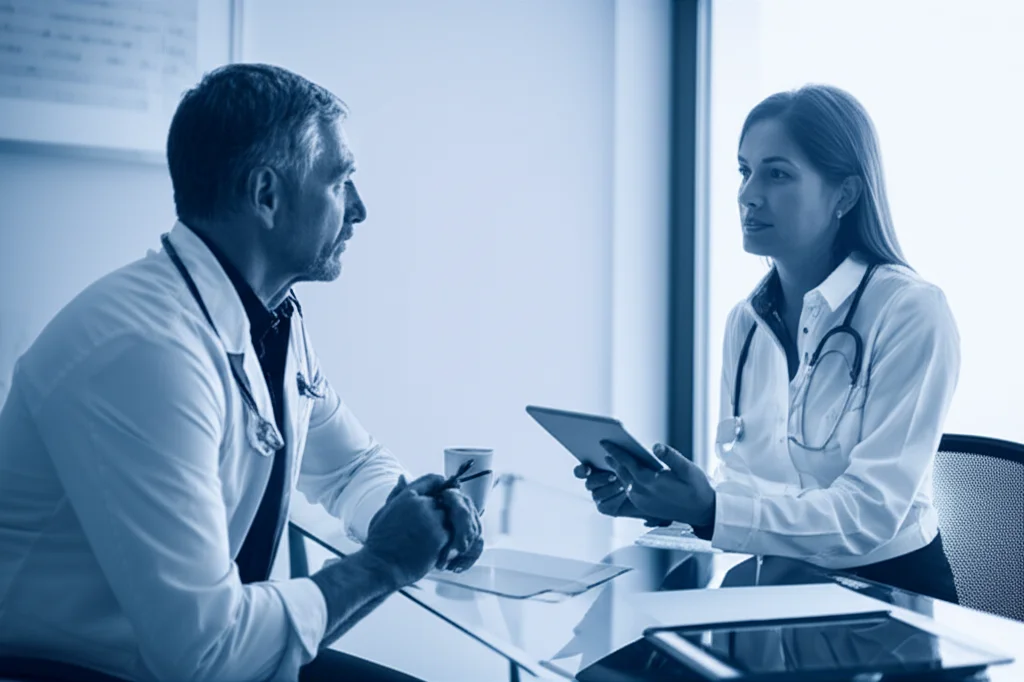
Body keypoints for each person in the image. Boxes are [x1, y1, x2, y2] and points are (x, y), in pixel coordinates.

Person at [0, 63, 484, 682]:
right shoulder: (143, 350)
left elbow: (349, 465)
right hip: (76, 669)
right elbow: (204, 654)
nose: (360, 210)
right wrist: (385, 562)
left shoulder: (267, 318)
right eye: (341, 182)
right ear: (266, 195)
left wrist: (410, 510)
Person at [576, 84, 960, 603]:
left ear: (844, 195)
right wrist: (664, 503)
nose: (748, 194)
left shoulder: (909, 311)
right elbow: (745, 480)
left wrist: (711, 509)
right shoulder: (747, 322)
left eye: (777, 174)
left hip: (887, 600)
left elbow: (870, 511)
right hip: (779, 590)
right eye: (744, 171)